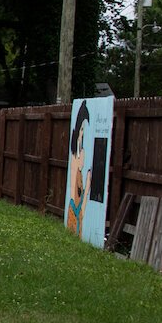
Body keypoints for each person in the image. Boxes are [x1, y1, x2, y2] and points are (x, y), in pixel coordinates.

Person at [66, 101, 91, 237]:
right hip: (75, 209)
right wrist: (87, 185)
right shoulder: (76, 157)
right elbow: (77, 200)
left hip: (76, 208)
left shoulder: (79, 153)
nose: (82, 133)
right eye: (81, 129)